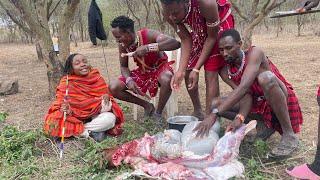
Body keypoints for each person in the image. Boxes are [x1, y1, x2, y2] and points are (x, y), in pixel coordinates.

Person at [194, 29, 303, 159]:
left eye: (229, 48)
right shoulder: (225, 70)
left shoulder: (255, 53)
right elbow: (245, 95)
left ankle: (289, 135)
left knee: (266, 78)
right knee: (216, 103)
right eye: (221, 50)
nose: (225, 53)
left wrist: (214, 114)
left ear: (240, 44)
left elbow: (244, 86)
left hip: (279, 98)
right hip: (257, 102)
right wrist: (239, 117)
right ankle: (264, 125)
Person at [160, 0, 234, 118]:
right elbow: (185, 38)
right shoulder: (168, 11)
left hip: (218, 27)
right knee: (188, 70)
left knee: (211, 70)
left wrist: (197, 69)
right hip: (199, 29)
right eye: (168, 13)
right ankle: (198, 111)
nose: (171, 17)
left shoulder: (206, 3)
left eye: (175, 13)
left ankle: (211, 118)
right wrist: (180, 71)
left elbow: (212, 37)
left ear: (185, 2)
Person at [109, 16, 180, 119]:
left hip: (160, 68)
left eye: (119, 37)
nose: (117, 41)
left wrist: (148, 47)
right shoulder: (123, 45)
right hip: (143, 73)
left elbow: (175, 43)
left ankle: (158, 114)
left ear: (128, 32)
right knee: (113, 87)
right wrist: (129, 80)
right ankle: (147, 106)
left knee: (166, 78)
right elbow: (124, 66)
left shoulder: (148, 34)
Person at [44, 53, 124, 142]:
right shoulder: (66, 82)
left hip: (95, 116)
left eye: (85, 61)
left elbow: (106, 98)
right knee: (52, 122)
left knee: (110, 119)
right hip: (74, 116)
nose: (83, 64)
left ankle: (78, 131)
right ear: (71, 68)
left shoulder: (96, 77)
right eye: (77, 63)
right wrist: (66, 108)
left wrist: (106, 99)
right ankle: (91, 132)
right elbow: (60, 103)